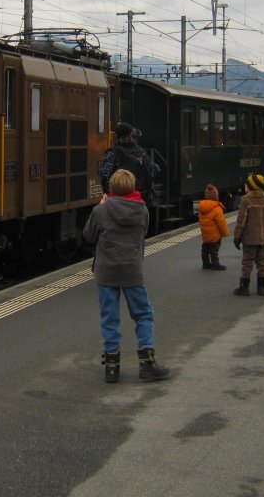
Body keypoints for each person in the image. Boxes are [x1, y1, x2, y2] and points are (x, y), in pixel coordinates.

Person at [83, 168, 170, 383]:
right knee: (143, 314)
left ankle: (112, 367)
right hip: (132, 270)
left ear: (111, 188)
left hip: (106, 272)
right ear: (132, 187)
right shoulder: (142, 211)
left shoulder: (100, 211)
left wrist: (102, 207)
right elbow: (143, 234)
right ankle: (147, 364)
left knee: (110, 317)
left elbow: (88, 235)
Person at [100, 122, 158, 221]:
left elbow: (105, 175)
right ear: (131, 134)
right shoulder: (141, 152)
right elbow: (153, 171)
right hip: (141, 200)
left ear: (116, 135)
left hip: (119, 200)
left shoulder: (112, 153)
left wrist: (107, 193)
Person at [232, 173, 264, 296]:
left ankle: (244, 287)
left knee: (247, 262)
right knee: (262, 262)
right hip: (263, 238)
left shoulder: (246, 201)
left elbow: (241, 221)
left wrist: (237, 236)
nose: (245, 185)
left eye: (247, 184)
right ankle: (261, 287)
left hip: (250, 238)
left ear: (251, 186)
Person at [197, 183, 228, 270]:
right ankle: (215, 264)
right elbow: (221, 223)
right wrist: (225, 233)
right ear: (216, 196)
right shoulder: (217, 208)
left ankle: (206, 264)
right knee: (214, 250)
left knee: (205, 249)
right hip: (215, 235)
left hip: (205, 234)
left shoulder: (201, 208)